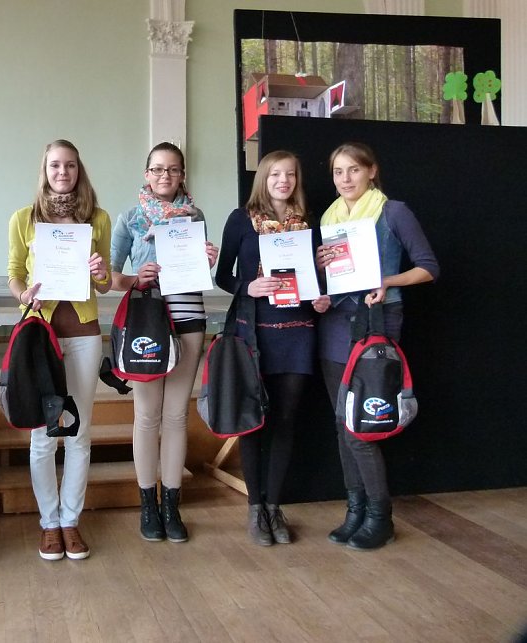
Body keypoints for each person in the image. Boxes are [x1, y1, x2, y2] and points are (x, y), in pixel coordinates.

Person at [316, 142, 439, 550]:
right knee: (340, 422)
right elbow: (338, 280)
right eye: (338, 172)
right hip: (336, 322)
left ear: (371, 171)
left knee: (361, 428)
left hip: (379, 322)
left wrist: (388, 281)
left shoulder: (393, 211)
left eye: (353, 170)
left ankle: (379, 517)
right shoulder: (331, 217)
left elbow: (428, 268)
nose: (345, 179)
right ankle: (355, 510)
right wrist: (323, 295)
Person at [215, 151, 331, 546]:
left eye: (291, 174)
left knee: (286, 420)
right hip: (254, 332)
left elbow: (317, 278)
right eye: (276, 174)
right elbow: (222, 276)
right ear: (263, 178)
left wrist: (321, 297)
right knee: (253, 421)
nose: (284, 180)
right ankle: (254, 508)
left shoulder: (308, 225)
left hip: (298, 331)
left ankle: (274, 506)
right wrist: (246, 286)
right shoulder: (240, 219)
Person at [7, 139, 111, 561]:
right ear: (44, 170)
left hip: (84, 334)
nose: (62, 172)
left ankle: (71, 520)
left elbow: (103, 284)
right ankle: (49, 522)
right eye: (55, 165)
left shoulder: (97, 219)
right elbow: (14, 273)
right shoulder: (23, 218)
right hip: (41, 335)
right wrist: (24, 295)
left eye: (70, 165)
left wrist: (102, 272)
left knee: (78, 433)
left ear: (78, 170)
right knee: (43, 435)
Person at [110, 142, 218, 543]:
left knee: (175, 416)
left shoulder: (196, 215)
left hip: (189, 318)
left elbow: (199, 268)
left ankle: (172, 504)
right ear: (146, 173)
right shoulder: (130, 219)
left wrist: (209, 258)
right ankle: (147, 505)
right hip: (147, 321)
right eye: (157, 170)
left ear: (182, 174)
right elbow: (109, 278)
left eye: (173, 170)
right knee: (147, 416)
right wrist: (137, 277)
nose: (164, 177)